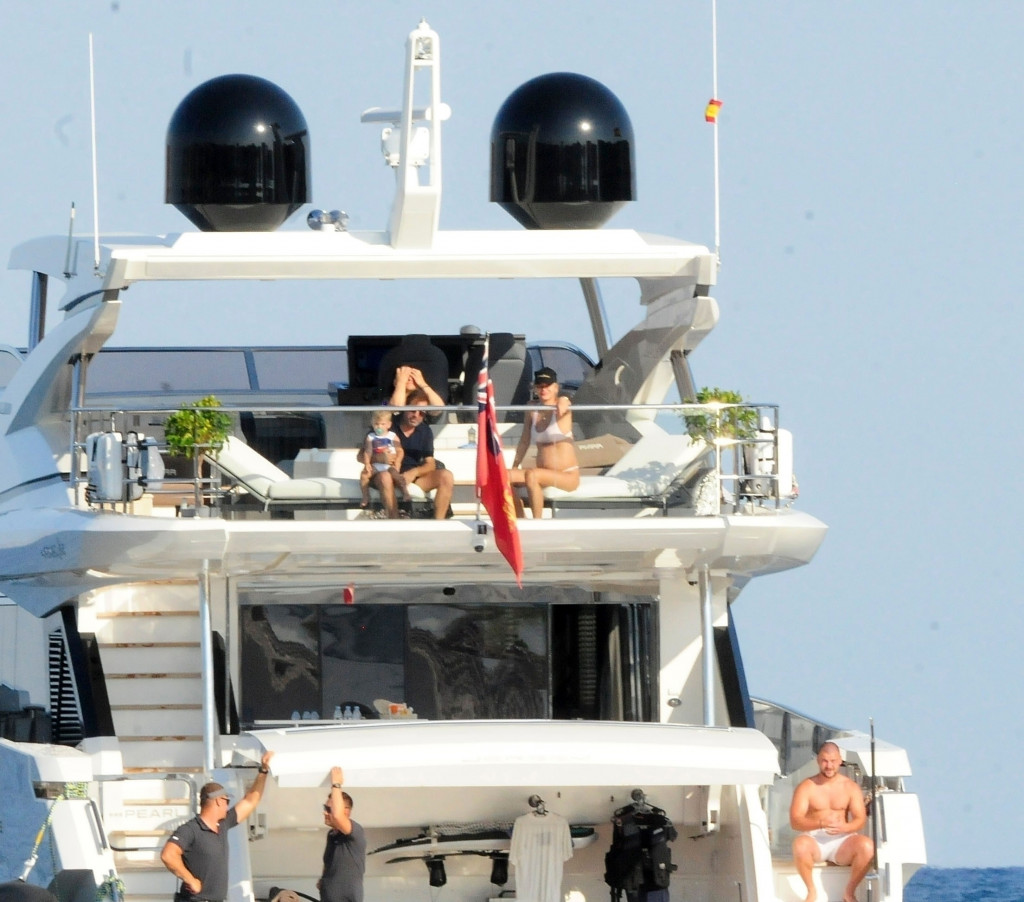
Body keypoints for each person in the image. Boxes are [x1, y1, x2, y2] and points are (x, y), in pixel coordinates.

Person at [161, 750, 274, 902]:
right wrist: (190, 879)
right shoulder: (191, 829)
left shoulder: (223, 824)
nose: (228, 805)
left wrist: (263, 771)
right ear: (219, 801)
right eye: (227, 801)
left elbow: (250, 801)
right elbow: (168, 855)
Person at [789, 741, 875, 902]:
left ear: (840, 761)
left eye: (833, 761)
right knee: (800, 845)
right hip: (815, 840)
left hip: (842, 841)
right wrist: (820, 823)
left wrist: (845, 827)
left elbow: (860, 820)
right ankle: (811, 892)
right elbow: (795, 821)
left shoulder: (850, 787)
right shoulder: (807, 786)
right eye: (825, 761)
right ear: (818, 760)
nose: (829, 766)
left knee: (868, 847)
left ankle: (849, 892)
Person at [509, 367, 579, 518]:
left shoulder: (562, 406)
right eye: (540, 386)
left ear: (556, 387)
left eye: (547, 385)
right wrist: (515, 466)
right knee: (503, 476)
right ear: (535, 388)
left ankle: (537, 523)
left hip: (567, 475)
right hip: (543, 473)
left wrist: (564, 398)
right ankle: (520, 518)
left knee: (532, 475)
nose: (543, 389)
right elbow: (524, 441)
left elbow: (566, 403)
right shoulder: (532, 408)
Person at [391, 388, 454, 519]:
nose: (417, 415)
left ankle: (439, 525)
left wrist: (414, 472)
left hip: (415, 477)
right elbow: (363, 454)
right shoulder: (389, 425)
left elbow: (430, 463)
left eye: (422, 413)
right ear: (405, 407)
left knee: (446, 476)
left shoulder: (425, 431)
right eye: (413, 410)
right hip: (390, 474)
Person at [318, 766, 366, 902]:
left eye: (329, 809)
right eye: (325, 808)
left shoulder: (355, 833)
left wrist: (336, 784)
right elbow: (329, 863)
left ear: (346, 811)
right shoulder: (331, 835)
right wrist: (324, 881)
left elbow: (338, 816)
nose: (324, 812)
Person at [359, 409, 409, 518]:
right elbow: (368, 451)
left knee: (398, 477)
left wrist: (398, 462)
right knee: (364, 475)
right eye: (376, 424)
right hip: (376, 466)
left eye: (382, 424)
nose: (379, 427)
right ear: (372, 424)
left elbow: (400, 451)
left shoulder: (392, 436)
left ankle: (405, 492)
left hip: (389, 466)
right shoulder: (371, 437)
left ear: (388, 425)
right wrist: (367, 463)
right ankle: (365, 496)